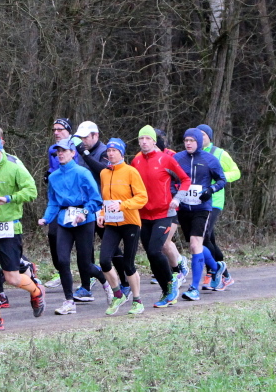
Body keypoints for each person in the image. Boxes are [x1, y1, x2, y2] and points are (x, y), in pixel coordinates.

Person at [0, 135, 44, 331]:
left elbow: (31, 191)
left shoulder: (14, 168)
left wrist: (9, 198)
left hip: (9, 229)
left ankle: (36, 291)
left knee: (12, 277)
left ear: (2, 151)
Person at [38, 137, 108, 315]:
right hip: (64, 220)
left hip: (84, 220)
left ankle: (106, 281)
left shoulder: (83, 173)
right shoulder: (53, 177)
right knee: (62, 261)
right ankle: (69, 301)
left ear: (72, 153)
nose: (60, 154)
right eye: (58, 151)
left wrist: (84, 212)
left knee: (85, 264)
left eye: (64, 151)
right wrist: (46, 218)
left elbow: (96, 199)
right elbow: (53, 202)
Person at [131, 125, 191, 308]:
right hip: (143, 214)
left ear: (154, 141)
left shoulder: (166, 159)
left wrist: (177, 199)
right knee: (151, 256)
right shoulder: (136, 161)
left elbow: (185, 179)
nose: (144, 142)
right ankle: (166, 291)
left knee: (155, 251)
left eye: (147, 139)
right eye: (141, 139)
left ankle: (171, 285)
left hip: (164, 213)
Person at [73, 121, 131, 302]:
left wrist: (85, 154)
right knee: (84, 246)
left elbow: (103, 172)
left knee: (111, 247)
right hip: (86, 206)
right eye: (80, 138)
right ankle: (86, 285)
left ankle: (125, 282)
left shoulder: (107, 152)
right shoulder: (81, 152)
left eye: (86, 137)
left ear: (95, 135)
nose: (83, 141)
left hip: (105, 206)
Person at [174, 128, 227, 301]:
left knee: (195, 244)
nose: (188, 143)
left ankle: (193, 288)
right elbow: (170, 178)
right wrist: (174, 193)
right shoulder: (177, 158)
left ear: (198, 142)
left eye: (192, 140)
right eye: (186, 140)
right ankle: (216, 268)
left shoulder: (209, 159)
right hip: (184, 207)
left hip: (202, 208)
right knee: (194, 245)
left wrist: (210, 190)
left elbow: (222, 180)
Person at [96, 138, 148, 315]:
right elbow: (105, 199)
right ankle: (118, 294)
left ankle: (137, 300)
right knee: (104, 261)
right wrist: (102, 214)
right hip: (112, 223)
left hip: (130, 223)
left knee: (128, 264)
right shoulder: (104, 173)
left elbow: (142, 197)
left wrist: (123, 205)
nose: (111, 154)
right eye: (109, 151)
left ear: (122, 153)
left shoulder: (131, 172)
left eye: (114, 151)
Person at [197, 123, 240, 291]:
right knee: (209, 239)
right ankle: (223, 275)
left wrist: (219, 177)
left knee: (204, 236)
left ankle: (216, 272)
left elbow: (236, 172)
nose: (200, 137)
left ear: (209, 137)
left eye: (203, 134)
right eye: (198, 134)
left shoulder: (220, 153)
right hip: (197, 201)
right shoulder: (192, 153)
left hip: (214, 200)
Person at [43, 118, 81, 289]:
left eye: (60, 129)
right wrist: (49, 175)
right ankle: (61, 271)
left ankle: (89, 272)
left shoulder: (77, 146)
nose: (56, 132)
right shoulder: (52, 150)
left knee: (81, 239)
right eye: (54, 130)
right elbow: (55, 170)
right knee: (53, 234)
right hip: (59, 202)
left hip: (78, 201)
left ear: (68, 131)